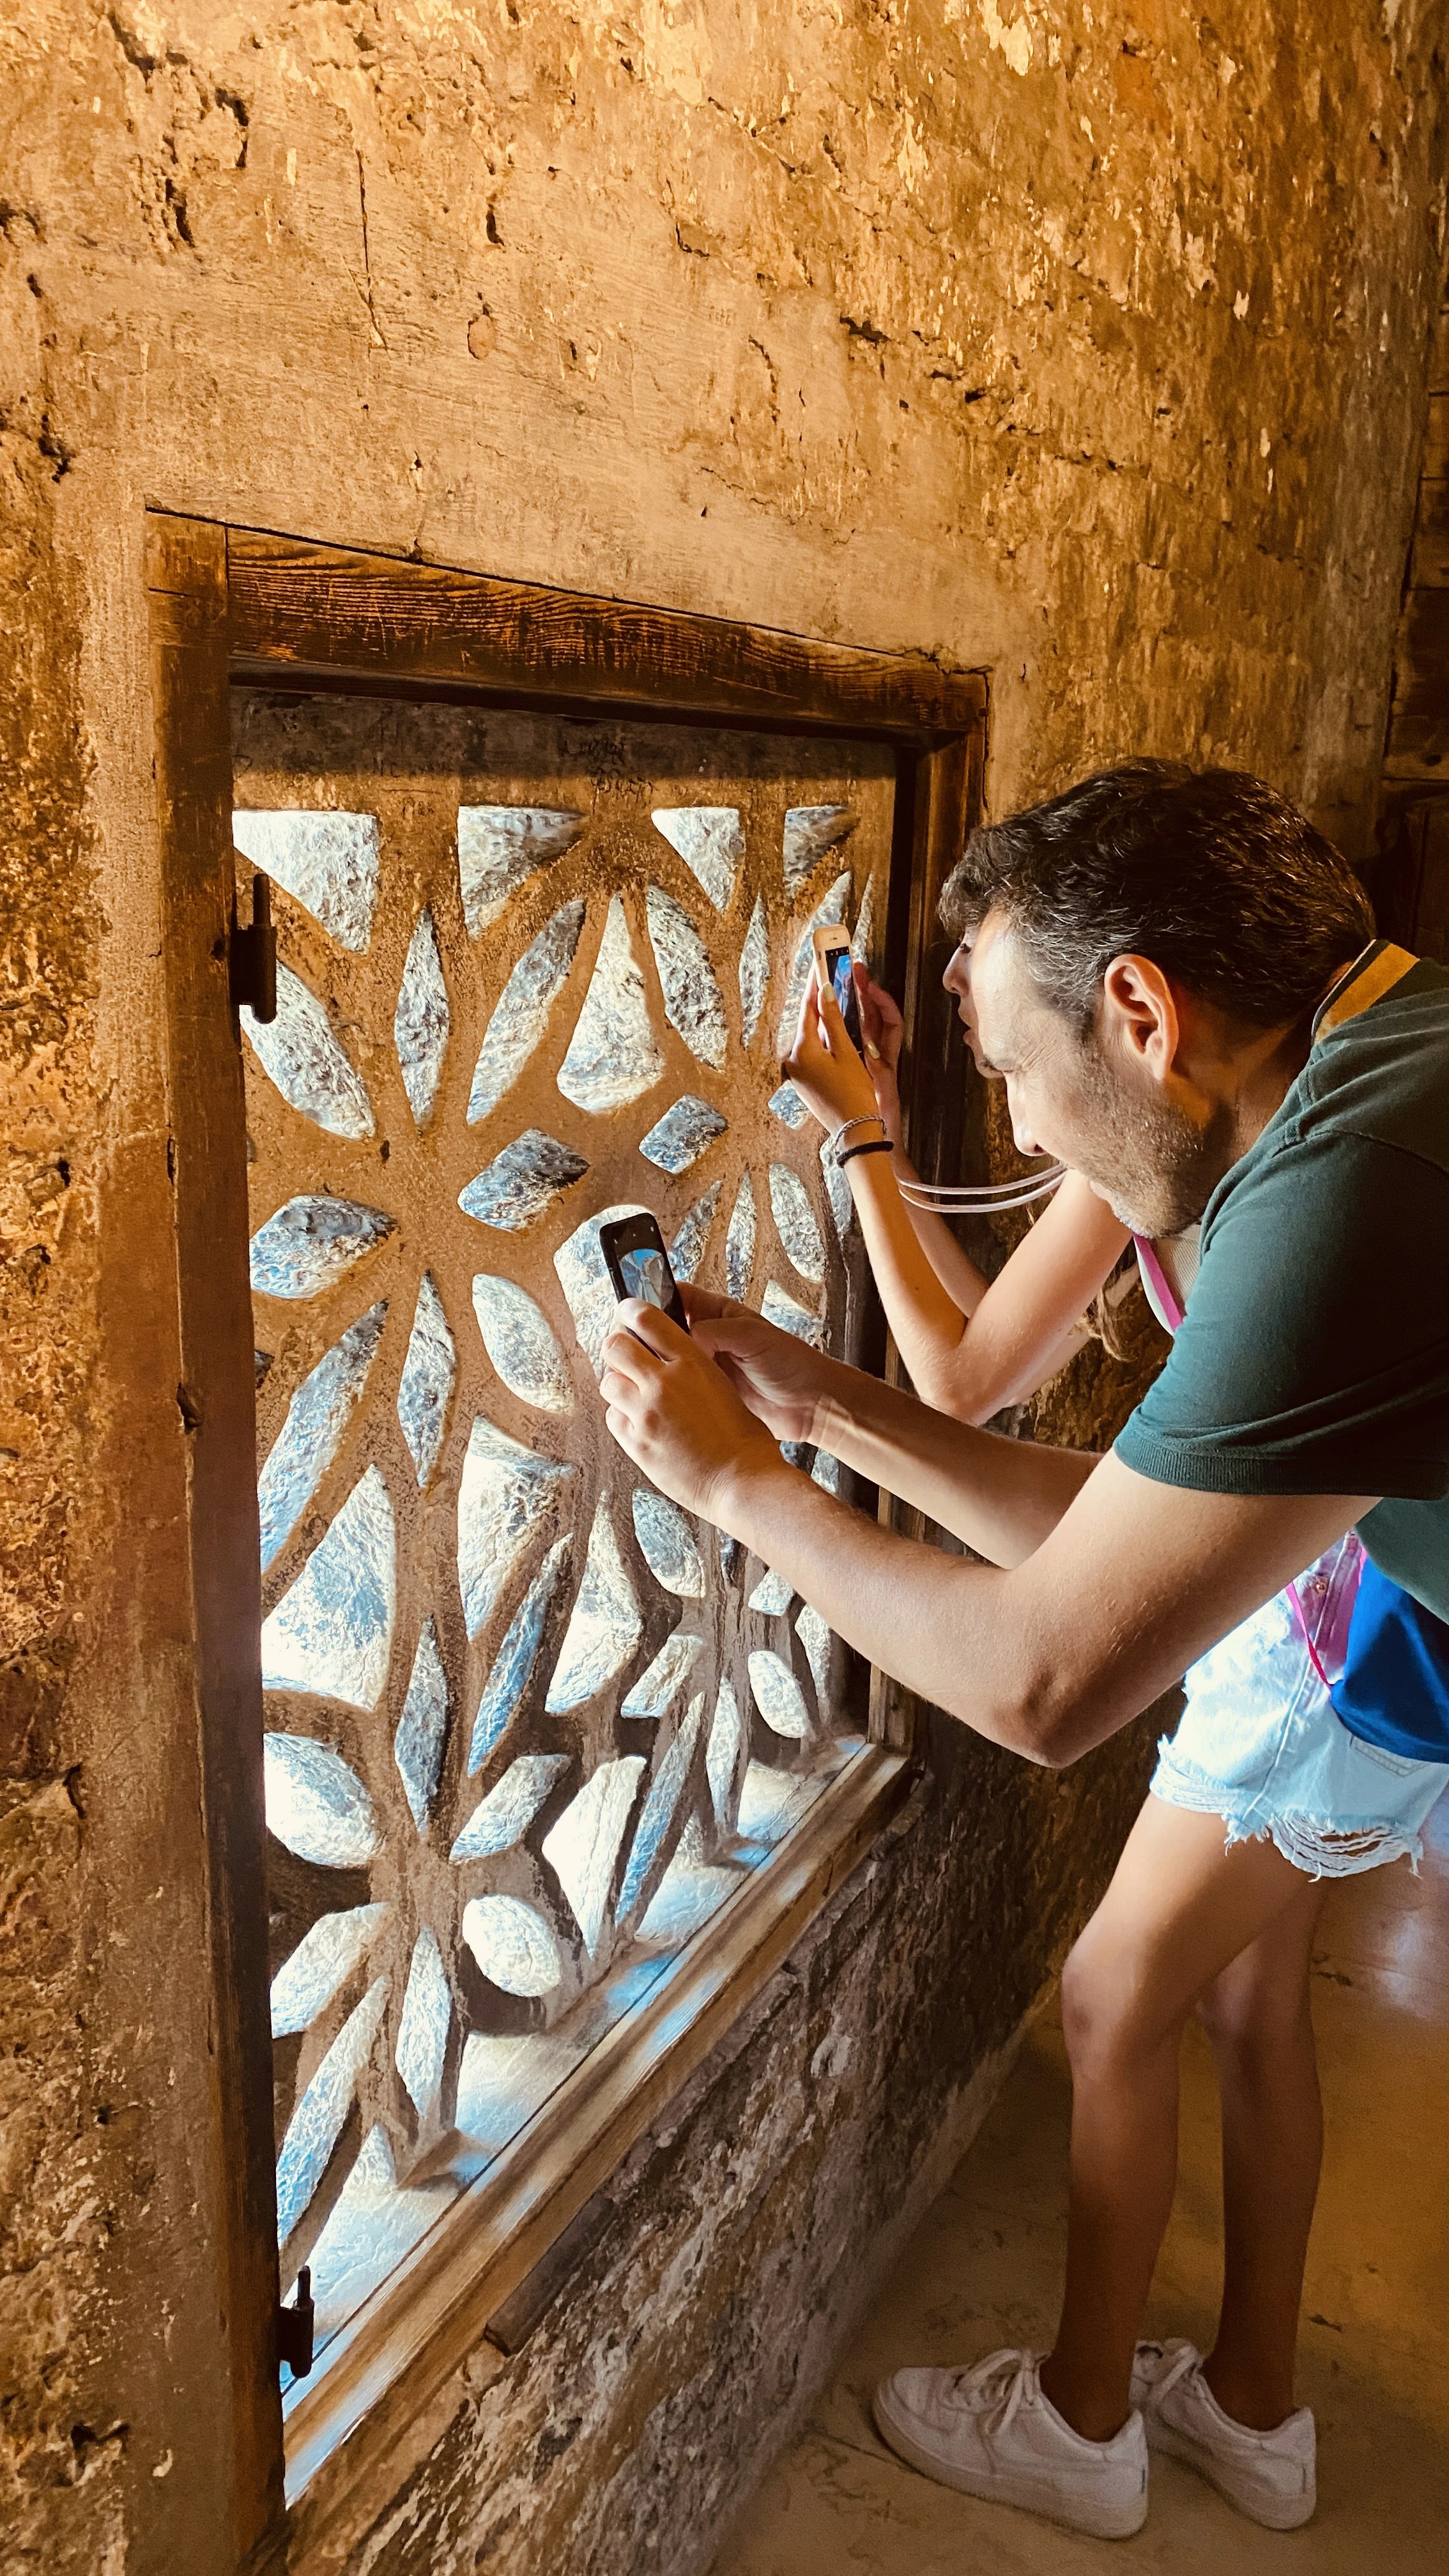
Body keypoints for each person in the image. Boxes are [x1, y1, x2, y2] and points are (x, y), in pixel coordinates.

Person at [597, 763, 1449, 2541]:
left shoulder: (1353, 1188)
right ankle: (1235, 2403)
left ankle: (1083, 2433)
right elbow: (1121, 1538)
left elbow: (1046, 1681)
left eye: (1006, 1074)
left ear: (1138, 1011)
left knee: (1127, 1992)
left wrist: (738, 1491)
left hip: (1390, 1663)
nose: (1023, 1130)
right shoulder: (1347, 1060)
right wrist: (820, 1402)